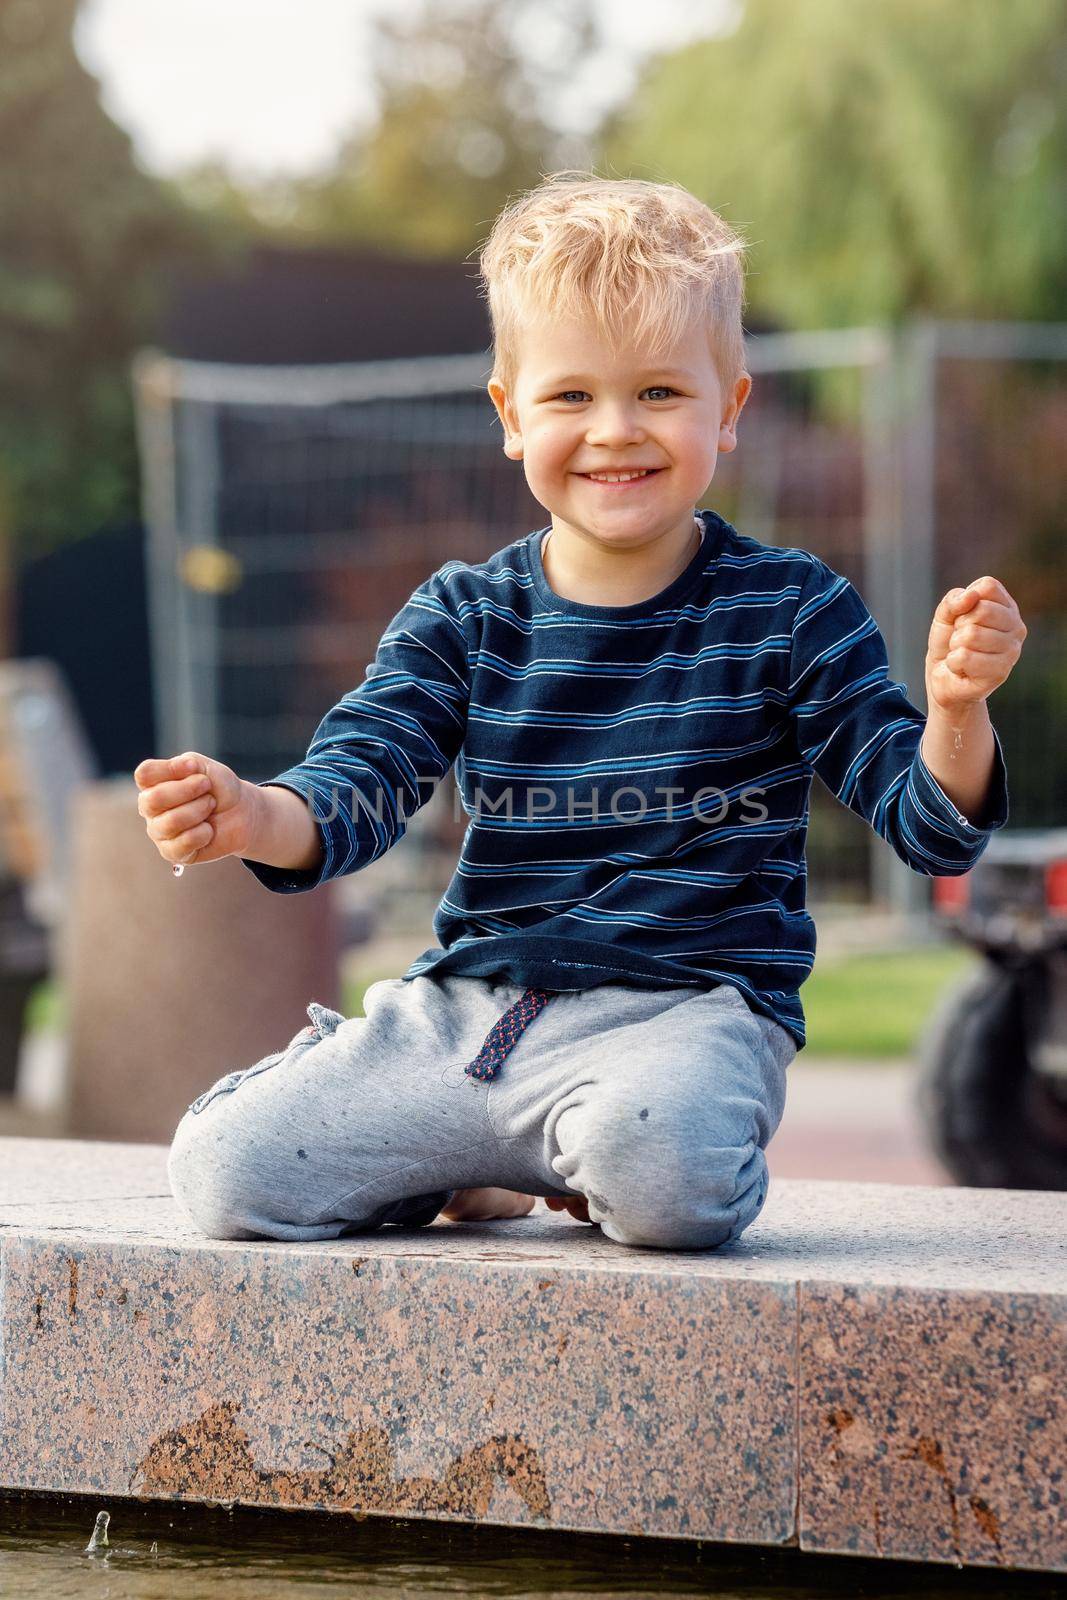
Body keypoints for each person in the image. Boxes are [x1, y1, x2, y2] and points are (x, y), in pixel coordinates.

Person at [135, 173, 1026, 1251]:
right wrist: (251, 812)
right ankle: (483, 1158)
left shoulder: (792, 609)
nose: (614, 431)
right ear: (510, 415)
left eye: (658, 392)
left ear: (728, 408)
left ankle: (549, 1152)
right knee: (226, 1173)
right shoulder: (463, 614)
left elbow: (927, 821)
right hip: (475, 1014)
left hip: (683, 1018)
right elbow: (354, 789)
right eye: (570, 397)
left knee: (660, 1172)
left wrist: (954, 708)